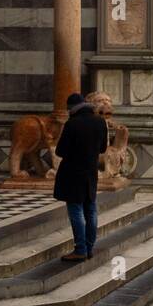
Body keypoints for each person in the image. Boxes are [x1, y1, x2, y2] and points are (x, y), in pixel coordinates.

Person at [53, 92, 109, 262]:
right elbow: (102, 149)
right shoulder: (100, 122)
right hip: (90, 172)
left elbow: (60, 151)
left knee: (76, 210)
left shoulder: (72, 124)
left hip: (72, 173)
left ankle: (80, 249)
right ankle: (89, 247)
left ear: (71, 108)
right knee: (90, 209)